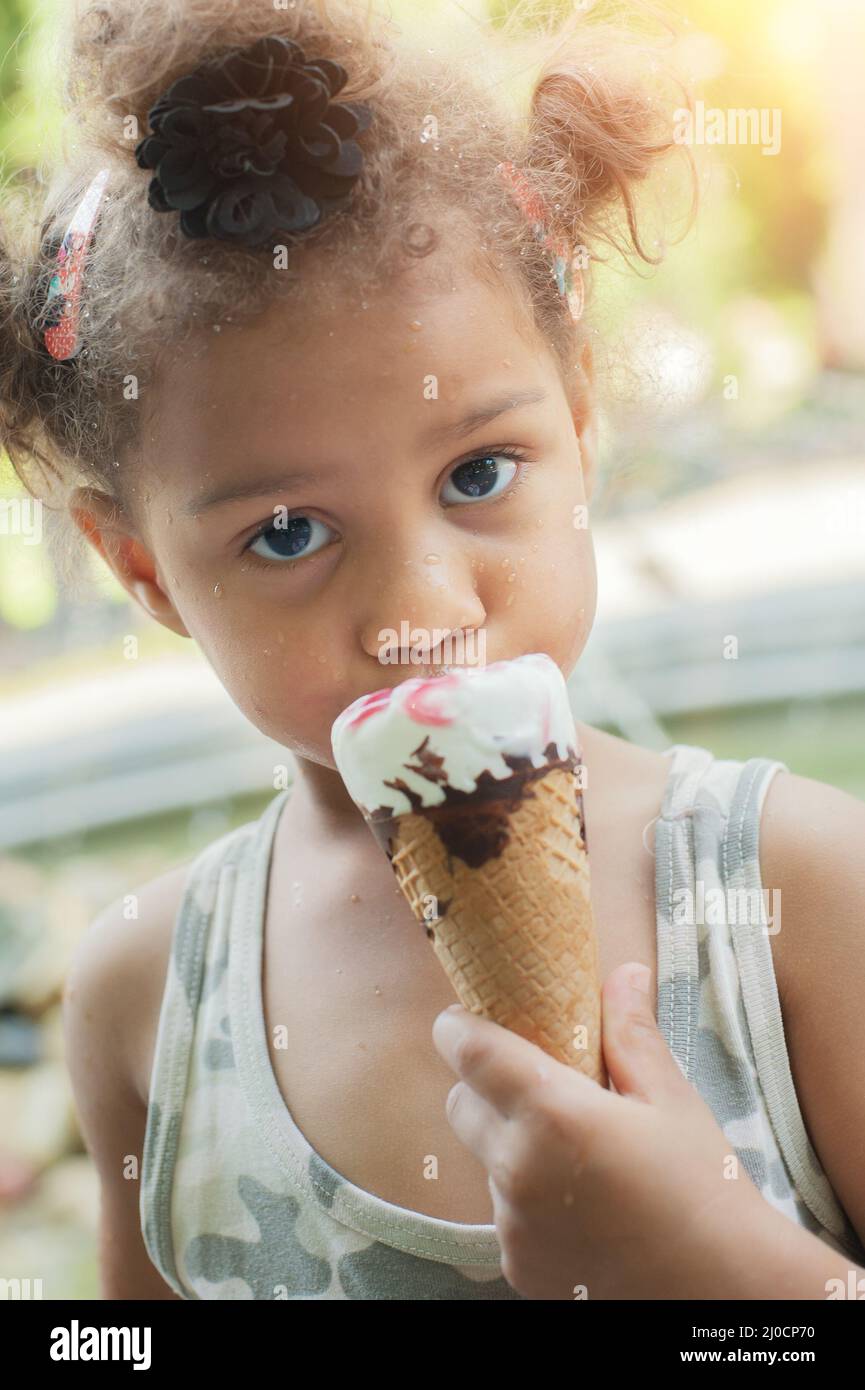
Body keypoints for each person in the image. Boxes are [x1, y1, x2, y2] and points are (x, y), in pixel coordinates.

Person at [2, 0, 864, 1300]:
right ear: (142, 571)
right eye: (287, 531)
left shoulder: (798, 893)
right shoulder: (145, 1003)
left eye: (477, 472)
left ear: (579, 423)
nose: (420, 603)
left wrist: (731, 1277)